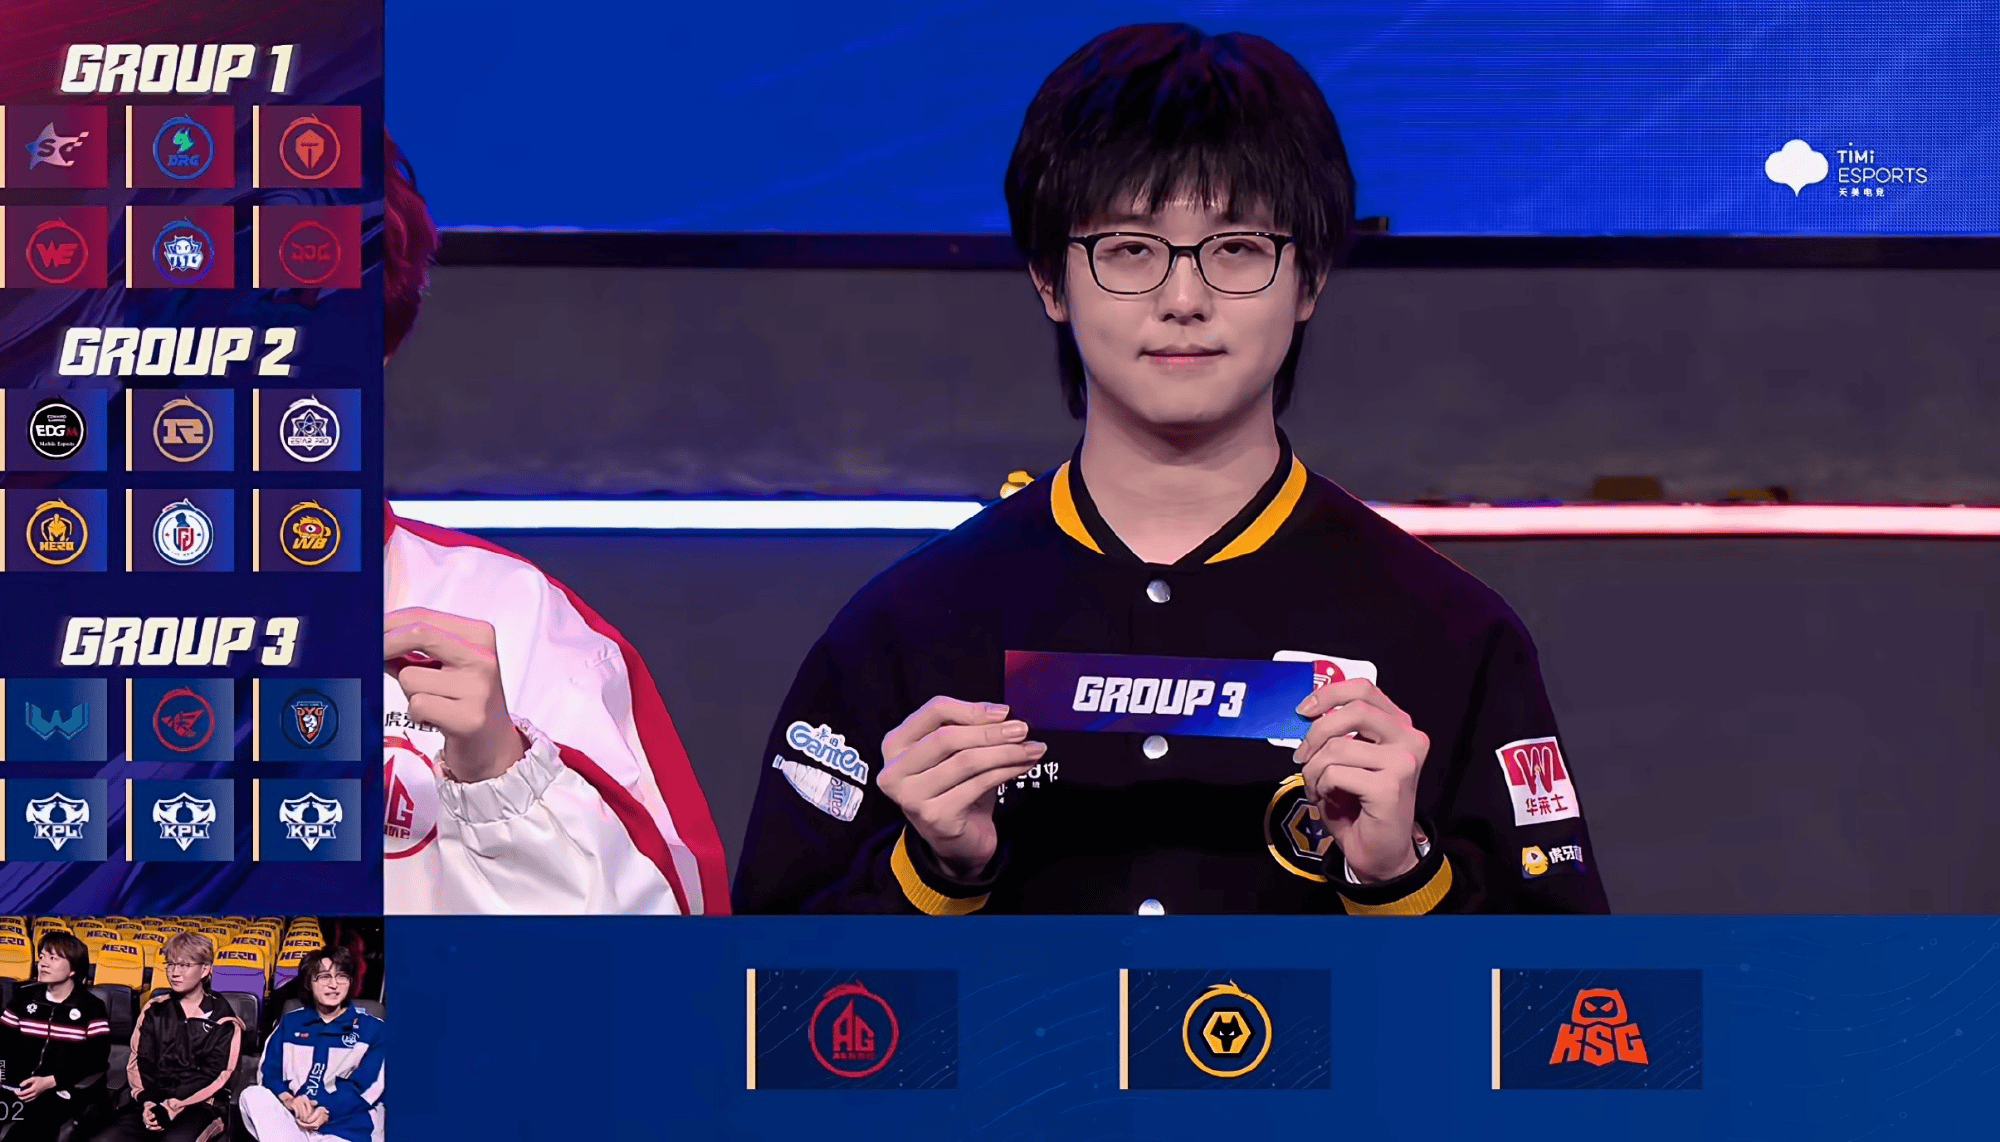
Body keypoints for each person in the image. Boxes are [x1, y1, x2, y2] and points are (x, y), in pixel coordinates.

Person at [734, 23, 1610, 916]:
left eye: (1237, 248)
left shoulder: (1451, 635)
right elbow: (759, 984)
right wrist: (934, 872)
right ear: (1049, 279)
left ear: (1309, 280)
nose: (1184, 299)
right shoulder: (905, 632)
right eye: (1129, 248)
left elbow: (1568, 992)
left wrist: (1400, 877)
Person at [378, 133, 730, 914]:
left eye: (295, 310)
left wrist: (500, 774)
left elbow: (667, 956)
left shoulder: (519, 620)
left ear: (380, 345)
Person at [83, 932, 241, 1142]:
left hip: (200, 1106)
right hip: (151, 1101)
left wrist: (173, 1105)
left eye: (184, 965)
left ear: (205, 970)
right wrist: (148, 1102)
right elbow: (140, 1060)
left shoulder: (224, 1019)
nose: (174, 972)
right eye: (171, 964)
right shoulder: (154, 1009)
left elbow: (215, 1074)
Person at [240, 946, 384, 1142]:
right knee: (252, 1095)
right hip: (294, 1122)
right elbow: (269, 1072)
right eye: (324, 977)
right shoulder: (291, 1023)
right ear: (309, 982)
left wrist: (327, 1110)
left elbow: (368, 1086)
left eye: (342, 977)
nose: (333, 985)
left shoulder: (374, 1029)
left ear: (350, 982)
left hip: (346, 1126)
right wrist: (289, 1100)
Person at [0, 932, 111, 1141]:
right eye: (42, 957)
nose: (43, 964)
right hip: (14, 1087)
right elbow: (3, 1043)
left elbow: (96, 1059)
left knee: (23, 1134)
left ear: (73, 969)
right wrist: (2, 1074)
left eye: (53, 958)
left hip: (57, 1091)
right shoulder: (23, 997)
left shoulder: (92, 1007)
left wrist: (52, 1081)